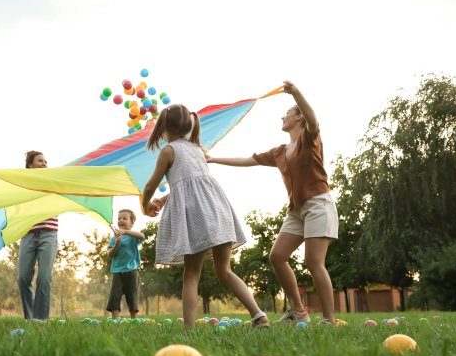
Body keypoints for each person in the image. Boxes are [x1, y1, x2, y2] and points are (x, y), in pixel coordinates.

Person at [207, 81, 339, 325]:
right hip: (297, 210)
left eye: (287, 114)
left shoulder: (309, 139)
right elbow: (249, 160)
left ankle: (329, 319)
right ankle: (298, 311)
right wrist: (213, 159)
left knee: (313, 262)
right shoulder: (280, 151)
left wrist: (297, 93)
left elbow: (314, 120)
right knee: (277, 256)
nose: (283, 117)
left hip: (318, 204)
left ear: (298, 118)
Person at [142, 104, 269, 328]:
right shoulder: (198, 150)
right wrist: (166, 199)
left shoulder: (169, 151)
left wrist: (145, 204)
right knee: (225, 270)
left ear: (164, 127)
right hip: (218, 211)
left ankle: (189, 330)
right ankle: (259, 315)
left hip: (197, 218)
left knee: (191, 275)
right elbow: (192, 185)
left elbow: (153, 184)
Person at [17, 150, 58, 321]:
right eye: (40, 161)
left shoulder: (53, 182)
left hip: (48, 234)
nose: (44, 164)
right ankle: (30, 318)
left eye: (46, 161)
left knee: (44, 277)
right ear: (30, 165)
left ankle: (40, 320)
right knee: (22, 278)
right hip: (28, 234)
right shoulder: (22, 185)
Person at [106, 209, 144, 320]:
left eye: (124, 218)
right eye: (119, 218)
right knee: (114, 296)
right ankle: (114, 320)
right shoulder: (114, 238)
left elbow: (142, 236)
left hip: (131, 271)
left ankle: (133, 319)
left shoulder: (133, 237)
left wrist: (125, 232)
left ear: (131, 223)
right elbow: (110, 254)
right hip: (117, 272)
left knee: (132, 296)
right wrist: (116, 244)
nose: (121, 220)